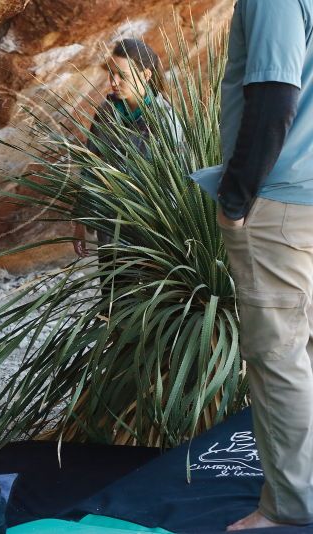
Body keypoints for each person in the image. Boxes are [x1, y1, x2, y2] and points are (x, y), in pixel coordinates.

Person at [191, 0, 313, 530]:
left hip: (281, 202)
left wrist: (234, 201)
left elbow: (273, 95)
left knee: (280, 354)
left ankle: (291, 508)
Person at [73, 38, 184, 257]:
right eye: (111, 73)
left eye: (122, 75)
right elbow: (91, 166)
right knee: (112, 291)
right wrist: (81, 220)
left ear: (146, 75)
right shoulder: (106, 112)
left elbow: (177, 183)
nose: (114, 81)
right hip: (110, 229)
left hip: (151, 236)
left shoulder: (166, 120)